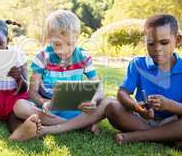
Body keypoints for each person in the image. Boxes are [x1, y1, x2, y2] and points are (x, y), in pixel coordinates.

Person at [9, 10, 114, 141]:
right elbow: (32, 92)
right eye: (58, 44)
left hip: (74, 108)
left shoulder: (83, 57)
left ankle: (60, 126)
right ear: (49, 39)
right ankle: (79, 125)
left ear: (77, 37)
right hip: (48, 110)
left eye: (70, 43)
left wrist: (93, 101)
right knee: (19, 106)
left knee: (108, 102)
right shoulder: (42, 57)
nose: (64, 50)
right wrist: (44, 103)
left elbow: (99, 89)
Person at [105, 14, 182, 145]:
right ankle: (168, 138)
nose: (157, 49)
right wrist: (135, 107)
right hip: (142, 120)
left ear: (178, 39)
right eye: (151, 44)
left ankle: (139, 136)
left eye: (164, 43)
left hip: (173, 121)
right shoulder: (137, 64)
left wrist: (169, 105)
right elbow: (122, 93)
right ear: (145, 42)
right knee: (112, 108)